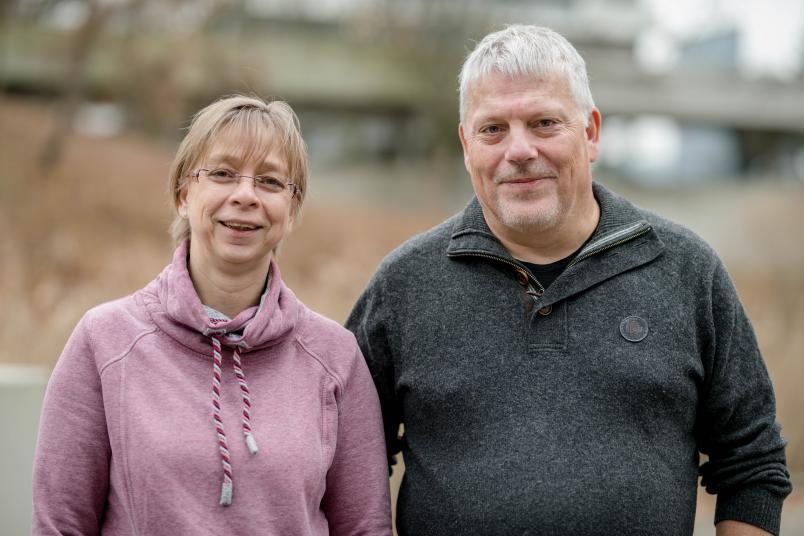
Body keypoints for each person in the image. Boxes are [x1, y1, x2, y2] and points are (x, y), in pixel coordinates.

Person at [346, 25, 792, 536]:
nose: (519, 150)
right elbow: (346, 464)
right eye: (493, 129)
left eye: (543, 123)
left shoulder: (687, 271)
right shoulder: (404, 285)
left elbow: (752, 462)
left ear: (591, 132)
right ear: (467, 145)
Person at [33, 95, 392, 535]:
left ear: (293, 210)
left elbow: (364, 528)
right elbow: (59, 525)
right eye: (222, 174)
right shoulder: (104, 340)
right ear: (185, 194)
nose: (245, 195)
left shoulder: (336, 357)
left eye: (271, 181)